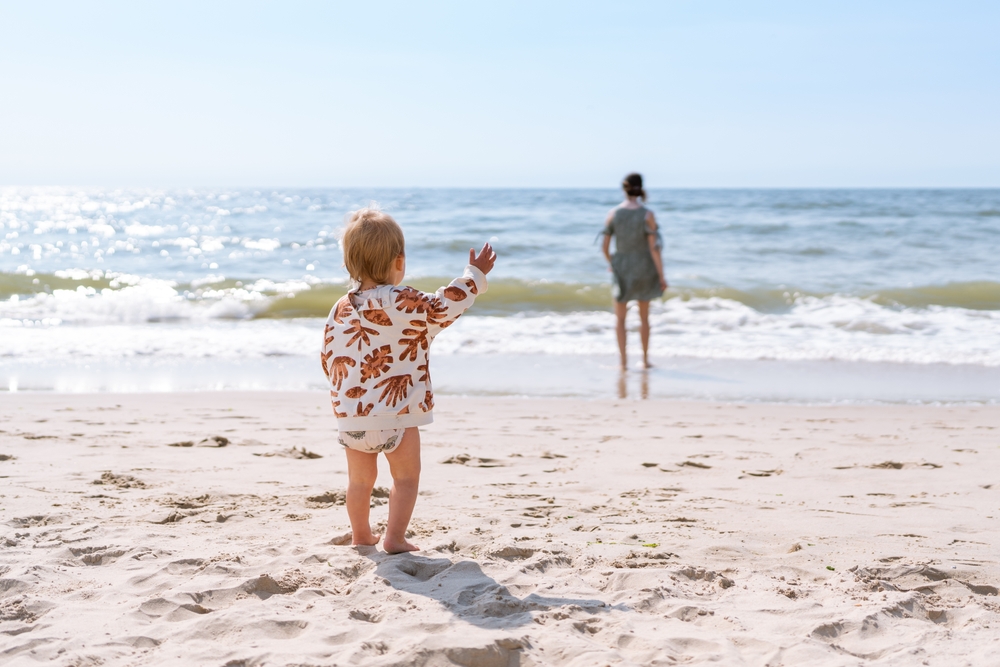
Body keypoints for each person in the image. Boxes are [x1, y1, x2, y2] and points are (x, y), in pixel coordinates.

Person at [321, 207, 496, 553]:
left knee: (359, 482)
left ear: (349, 265)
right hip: (396, 414)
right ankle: (395, 538)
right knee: (405, 478)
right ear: (399, 262)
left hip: (353, 416)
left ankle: (361, 536)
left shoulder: (341, 307)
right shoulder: (404, 300)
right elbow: (444, 306)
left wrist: (344, 399)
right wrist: (474, 275)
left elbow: (328, 356)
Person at [601, 173, 667, 370]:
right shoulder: (648, 214)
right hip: (644, 267)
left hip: (622, 266)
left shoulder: (614, 214)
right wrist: (661, 275)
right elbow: (654, 248)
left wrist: (612, 262)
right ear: (641, 188)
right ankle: (645, 360)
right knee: (644, 318)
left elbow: (604, 247)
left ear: (624, 188)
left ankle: (623, 363)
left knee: (620, 319)